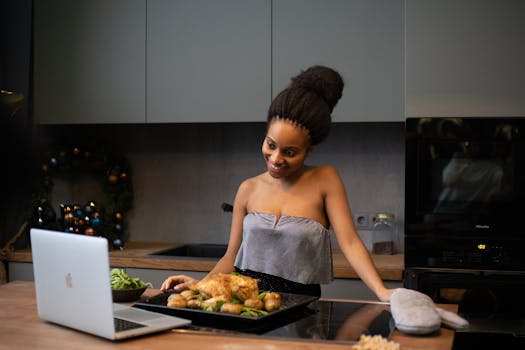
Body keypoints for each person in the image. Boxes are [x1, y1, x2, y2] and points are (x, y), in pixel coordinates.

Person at [161, 65, 394, 302]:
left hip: (302, 308)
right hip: (247, 306)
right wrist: (199, 286)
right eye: (270, 145)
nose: (276, 159)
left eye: (290, 152)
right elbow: (231, 257)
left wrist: (381, 291)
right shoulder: (247, 189)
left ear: (309, 150)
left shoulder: (326, 180)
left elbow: (351, 242)